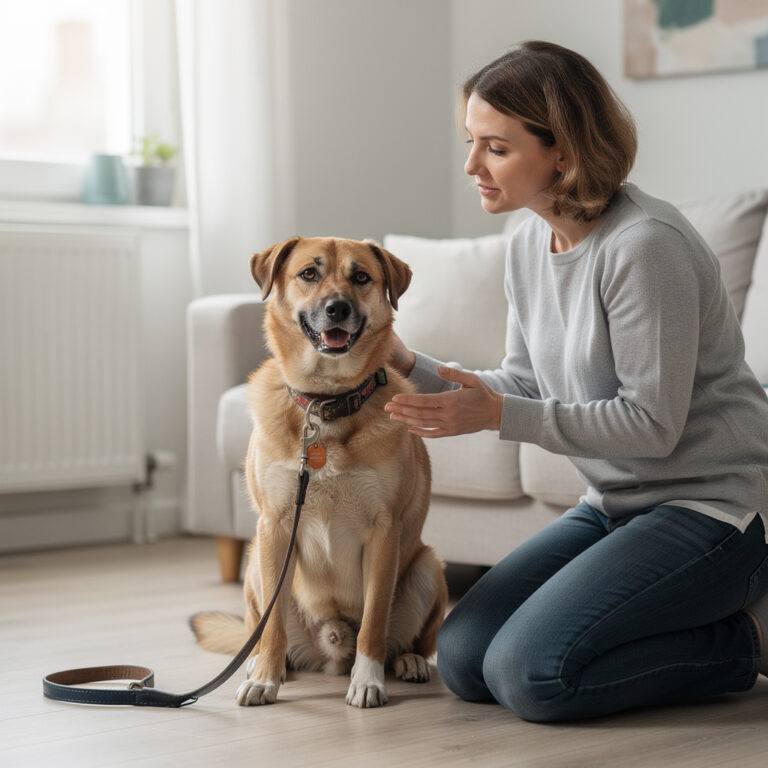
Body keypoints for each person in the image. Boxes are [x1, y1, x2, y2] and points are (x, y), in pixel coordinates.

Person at [384, 40, 768, 722]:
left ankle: (752, 636)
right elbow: (525, 380)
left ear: (561, 150)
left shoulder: (644, 247)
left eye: (495, 148)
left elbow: (651, 425)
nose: (471, 165)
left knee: (534, 675)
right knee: (466, 657)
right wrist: (408, 364)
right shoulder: (531, 242)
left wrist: (498, 414)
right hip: (615, 504)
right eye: (471, 142)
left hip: (714, 509)